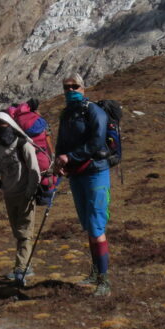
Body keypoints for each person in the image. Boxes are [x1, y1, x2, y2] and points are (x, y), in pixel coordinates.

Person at [53, 74, 112, 296]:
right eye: (66, 87)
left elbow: (97, 142)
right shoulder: (66, 114)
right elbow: (61, 142)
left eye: (74, 86)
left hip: (96, 172)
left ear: (83, 88)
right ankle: (96, 273)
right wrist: (59, 161)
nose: (70, 90)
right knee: (88, 225)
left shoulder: (94, 111)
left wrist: (71, 157)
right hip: (77, 174)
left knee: (96, 226)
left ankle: (104, 281)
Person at [0, 111, 42, 287]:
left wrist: (30, 192)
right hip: (9, 195)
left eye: (3, 126)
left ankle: (20, 270)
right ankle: (25, 265)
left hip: (24, 195)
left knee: (24, 233)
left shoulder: (24, 145)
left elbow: (34, 171)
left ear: (11, 126)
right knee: (18, 232)